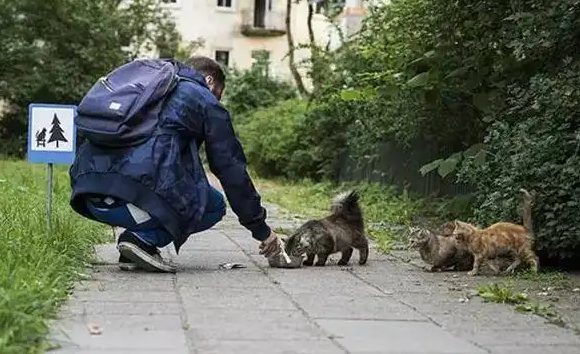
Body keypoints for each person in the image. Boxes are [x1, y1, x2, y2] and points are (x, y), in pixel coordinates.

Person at [68, 56, 282, 273]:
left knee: (155, 183)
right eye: (218, 93)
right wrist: (261, 230)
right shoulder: (202, 98)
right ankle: (141, 240)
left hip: (89, 196)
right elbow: (230, 168)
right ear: (209, 81)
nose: (217, 99)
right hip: (128, 200)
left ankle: (134, 250)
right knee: (214, 204)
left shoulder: (149, 87)